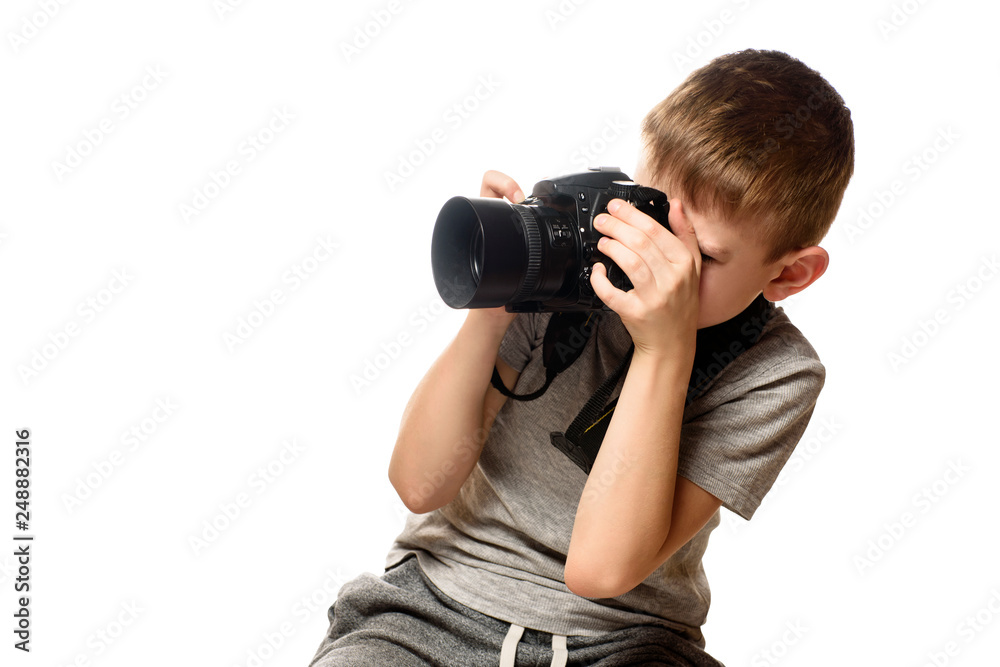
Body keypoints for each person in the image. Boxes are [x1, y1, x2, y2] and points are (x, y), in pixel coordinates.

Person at [309, 48, 854, 666]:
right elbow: (419, 483)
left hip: (627, 639)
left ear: (788, 274)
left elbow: (600, 570)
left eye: (700, 255)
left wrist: (664, 349)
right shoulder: (573, 273)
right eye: (648, 218)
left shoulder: (777, 374)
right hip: (435, 603)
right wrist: (499, 295)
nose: (654, 261)